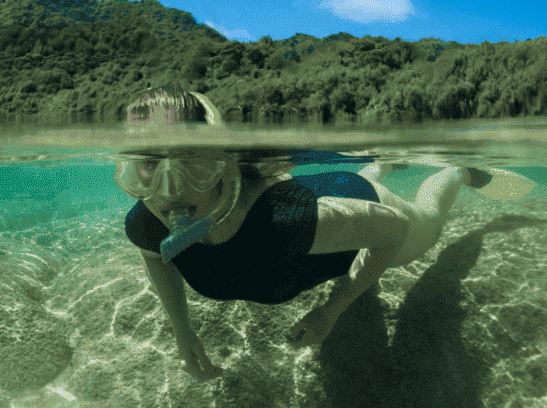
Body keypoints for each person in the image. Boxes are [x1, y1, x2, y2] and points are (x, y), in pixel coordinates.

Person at [116, 83, 535, 382]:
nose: (171, 192)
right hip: (329, 199)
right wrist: (181, 328)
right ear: (131, 168)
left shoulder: (282, 222)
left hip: (362, 207)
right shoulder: (147, 222)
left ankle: (457, 172)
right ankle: (381, 163)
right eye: (150, 163)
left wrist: (332, 311)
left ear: (221, 158)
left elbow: (393, 229)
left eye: (191, 158)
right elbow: (154, 254)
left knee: (426, 226)